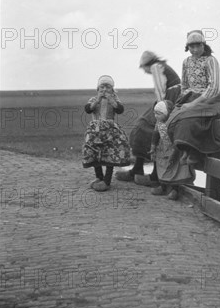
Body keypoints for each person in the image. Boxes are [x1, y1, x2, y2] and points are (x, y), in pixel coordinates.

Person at [115, 51, 181, 186]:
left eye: (143, 67)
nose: (144, 71)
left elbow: (160, 89)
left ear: (147, 65)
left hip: (168, 100)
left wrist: (161, 107)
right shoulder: (162, 66)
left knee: (145, 126)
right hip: (173, 98)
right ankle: (140, 169)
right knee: (147, 125)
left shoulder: (156, 67)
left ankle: (152, 175)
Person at [167, 30, 220, 168]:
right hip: (189, 96)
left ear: (203, 45)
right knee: (172, 120)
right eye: (191, 47)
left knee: (192, 120)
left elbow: (215, 87)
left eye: (197, 46)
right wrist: (183, 101)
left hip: (208, 98)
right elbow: (185, 85)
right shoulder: (186, 62)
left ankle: (195, 153)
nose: (194, 50)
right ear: (188, 48)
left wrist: (193, 104)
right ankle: (186, 150)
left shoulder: (210, 61)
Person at [82, 75, 132, 192]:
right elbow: (88, 109)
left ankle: (107, 180)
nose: (104, 89)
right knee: (94, 152)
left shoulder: (114, 99)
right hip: (95, 130)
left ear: (112, 89)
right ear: (98, 88)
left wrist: (112, 100)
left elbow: (120, 109)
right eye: (102, 87)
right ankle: (99, 177)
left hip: (110, 130)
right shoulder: (94, 99)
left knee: (111, 153)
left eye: (108, 87)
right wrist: (98, 100)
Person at [149, 100, 195, 200]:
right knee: (162, 168)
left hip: (175, 150)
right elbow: (155, 135)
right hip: (163, 150)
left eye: (159, 114)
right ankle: (163, 186)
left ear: (166, 113)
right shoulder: (159, 123)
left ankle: (175, 189)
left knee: (175, 169)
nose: (156, 116)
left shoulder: (174, 122)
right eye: (155, 113)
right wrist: (153, 147)